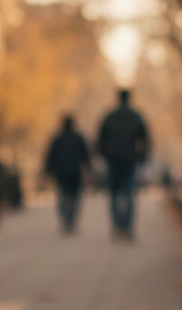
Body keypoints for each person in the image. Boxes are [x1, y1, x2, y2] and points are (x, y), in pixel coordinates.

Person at [97, 89, 149, 241]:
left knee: (113, 195)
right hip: (130, 160)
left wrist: (106, 156)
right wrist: (141, 157)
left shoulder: (109, 117)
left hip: (113, 161)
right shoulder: (136, 117)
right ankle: (128, 227)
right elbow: (144, 139)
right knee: (130, 194)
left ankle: (116, 226)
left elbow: (101, 140)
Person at [44, 115, 92, 234]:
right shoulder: (78, 138)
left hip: (61, 173)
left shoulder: (57, 139)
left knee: (63, 197)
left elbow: (50, 157)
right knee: (74, 198)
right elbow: (85, 156)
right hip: (75, 173)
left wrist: (48, 171)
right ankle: (71, 220)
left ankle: (66, 219)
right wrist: (89, 170)